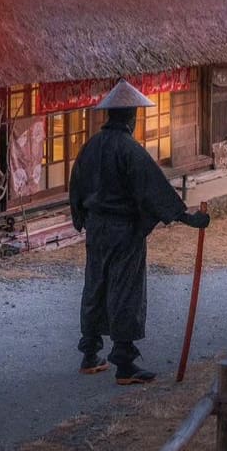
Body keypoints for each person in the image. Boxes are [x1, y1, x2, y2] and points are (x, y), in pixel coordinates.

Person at [68, 79, 210, 383]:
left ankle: (90, 354)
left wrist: (80, 218)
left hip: (96, 229)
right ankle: (124, 362)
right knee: (124, 290)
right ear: (131, 117)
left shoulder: (90, 146)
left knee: (95, 285)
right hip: (122, 231)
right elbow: (153, 189)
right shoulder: (129, 150)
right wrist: (187, 217)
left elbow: (75, 185)